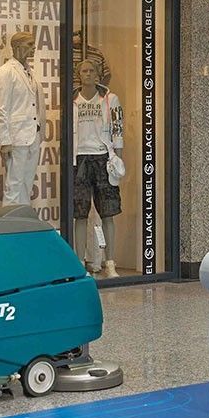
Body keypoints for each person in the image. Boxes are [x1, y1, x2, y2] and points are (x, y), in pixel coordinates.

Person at [73, 59, 124, 278]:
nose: (87, 74)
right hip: (80, 159)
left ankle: (110, 262)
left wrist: (118, 161)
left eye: (91, 70)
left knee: (108, 213)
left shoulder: (110, 100)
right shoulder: (72, 100)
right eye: (83, 70)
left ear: (98, 75)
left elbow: (118, 129)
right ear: (79, 74)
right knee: (80, 214)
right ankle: (80, 262)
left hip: (103, 157)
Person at [0, 31, 46, 206]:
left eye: (34, 44)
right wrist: (5, 141)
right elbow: (1, 108)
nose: (34, 48)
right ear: (17, 46)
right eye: (29, 44)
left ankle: (23, 223)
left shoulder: (29, 72)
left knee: (26, 183)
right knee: (14, 184)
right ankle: (9, 226)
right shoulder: (6, 72)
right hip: (16, 137)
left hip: (32, 134)